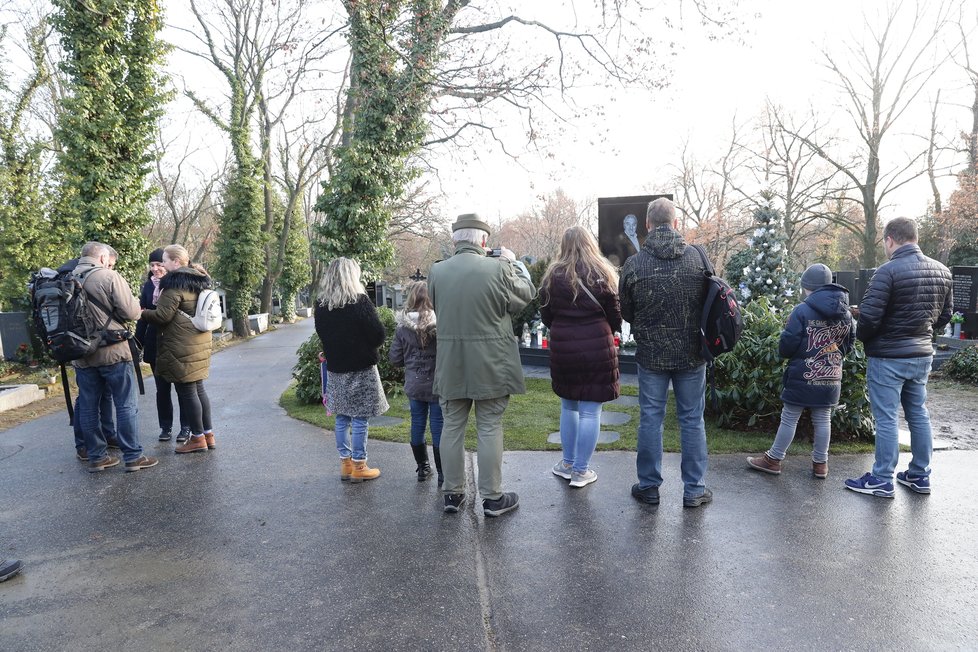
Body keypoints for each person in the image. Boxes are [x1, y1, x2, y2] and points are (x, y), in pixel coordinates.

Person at [428, 213, 535, 516]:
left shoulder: (436, 272)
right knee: (489, 426)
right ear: (484, 241)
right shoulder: (499, 268)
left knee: (452, 426)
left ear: (454, 240)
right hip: (491, 363)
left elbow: (439, 306)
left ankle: (452, 494)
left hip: (451, 362)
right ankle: (492, 498)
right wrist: (515, 263)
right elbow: (527, 295)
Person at [845, 217, 953, 498]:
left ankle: (881, 478)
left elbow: (869, 318)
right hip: (921, 354)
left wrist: (863, 338)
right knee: (918, 413)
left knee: (887, 418)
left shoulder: (887, 272)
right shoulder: (942, 271)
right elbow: (944, 317)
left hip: (888, 357)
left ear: (890, 239)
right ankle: (919, 474)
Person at [618, 197, 712, 508]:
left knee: (650, 419)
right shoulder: (697, 259)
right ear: (675, 223)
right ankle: (694, 489)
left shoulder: (633, 265)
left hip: (652, 355)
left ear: (646, 225)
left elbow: (628, 313)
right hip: (691, 355)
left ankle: (649, 486)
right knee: (691, 420)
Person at [747, 264, 855, 479]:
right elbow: (849, 345)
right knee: (823, 418)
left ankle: (774, 459)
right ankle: (820, 465)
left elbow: (787, 345)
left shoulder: (802, 310)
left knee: (789, 417)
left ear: (808, 287)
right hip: (831, 374)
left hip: (803, 373)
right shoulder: (847, 313)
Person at [539, 225, 623, 488]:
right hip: (597, 346)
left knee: (568, 406)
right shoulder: (603, 273)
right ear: (590, 243)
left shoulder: (553, 275)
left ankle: (567, 463)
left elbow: (546, 314)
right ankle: (581, 470)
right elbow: (616, 316)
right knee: (590, 412)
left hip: (564, 347)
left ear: (564, 245)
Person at [72, 242, 158, 473]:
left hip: (81, 355)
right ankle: (133, 456)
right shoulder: (108, 276)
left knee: (89, 407)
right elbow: (131, 312)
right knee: (125, 404)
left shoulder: (66, 277)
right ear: (102, 257)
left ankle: (97, 458)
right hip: (113, 352)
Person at [314, 257, 389, 482]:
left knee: (342, 417)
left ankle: (345, 465)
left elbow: (322, 335)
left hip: (336, 367)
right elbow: (378, 334)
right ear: (351, 275)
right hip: (361, 367)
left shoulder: (321, 304)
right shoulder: (359, 301)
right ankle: (360, 465)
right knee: (359, 418)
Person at [140, 245, 217, 454]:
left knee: (188, 392)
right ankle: (208, 435)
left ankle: (198, 438)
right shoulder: (198, 281)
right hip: (197, 344)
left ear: (175, 262)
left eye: (164, 261)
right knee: (199, 390)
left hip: (181, 346)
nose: (162, 265)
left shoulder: (174, 285)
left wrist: (143, 312)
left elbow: (162, 316)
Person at [56, 255, 119, 460]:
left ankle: (105, 436)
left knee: (101, 395)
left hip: (78, 344)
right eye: (109, 264)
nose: (109, 268)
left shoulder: (71, 271)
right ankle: (83, 445)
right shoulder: (77, 274)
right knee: (86, 400)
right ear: (102, 257)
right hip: (85, 345)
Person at [389, 281, 443, 483]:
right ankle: (443, 474)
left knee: (417, 424)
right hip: (437, 385)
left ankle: (423, 468)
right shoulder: (441, 325)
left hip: (414, 384)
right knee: (438, 426)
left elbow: (395, 358)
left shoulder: (403, 329)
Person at [135, 247, 189, 444]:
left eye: (159, 264)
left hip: (175, 344)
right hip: (154, 344)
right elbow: (142, 316)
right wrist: (137, 342)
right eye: (152, 265)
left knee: (183, 389)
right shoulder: (148, 286)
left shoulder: (177, 284)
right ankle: (165, 427)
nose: (156, 268)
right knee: (162, 389)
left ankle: (186, 427)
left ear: (167, 265)